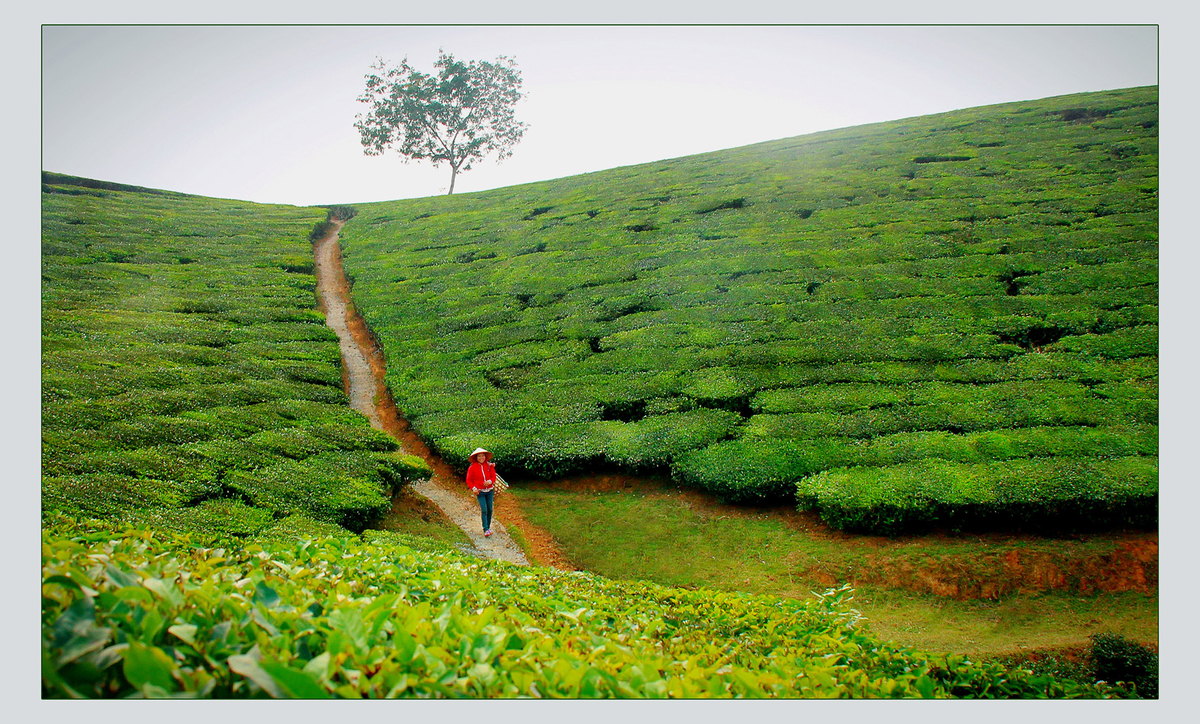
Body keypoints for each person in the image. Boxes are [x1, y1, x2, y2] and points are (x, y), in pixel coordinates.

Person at [466, 447, 497, 537]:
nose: (481, 458)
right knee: (484, 509)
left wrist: (489, 482)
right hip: (480, 492)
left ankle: (488, 526)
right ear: (476, 457)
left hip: (490, 491)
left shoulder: (489, 466)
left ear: (485, 457)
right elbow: (469, 480)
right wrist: (474, 488)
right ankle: (485, 528)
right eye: (479, 456)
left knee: (490, 509)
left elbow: (493, 477)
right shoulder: (472, 468)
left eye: (483, 456)